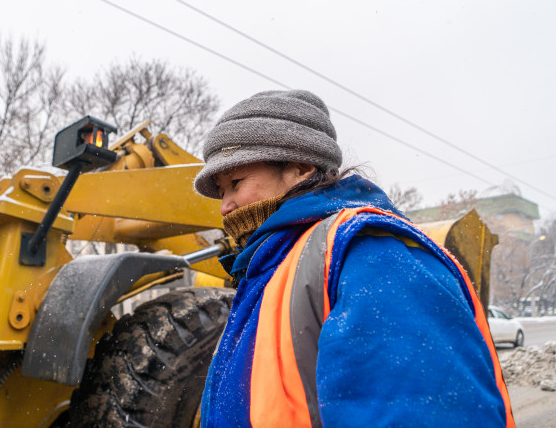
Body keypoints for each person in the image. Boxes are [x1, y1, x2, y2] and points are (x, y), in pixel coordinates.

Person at [193, 90, 513, 427]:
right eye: (222, 190)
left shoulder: (370, 256)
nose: (224, 206)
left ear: (300, 168)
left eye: (235, 183)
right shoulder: (268, 273)